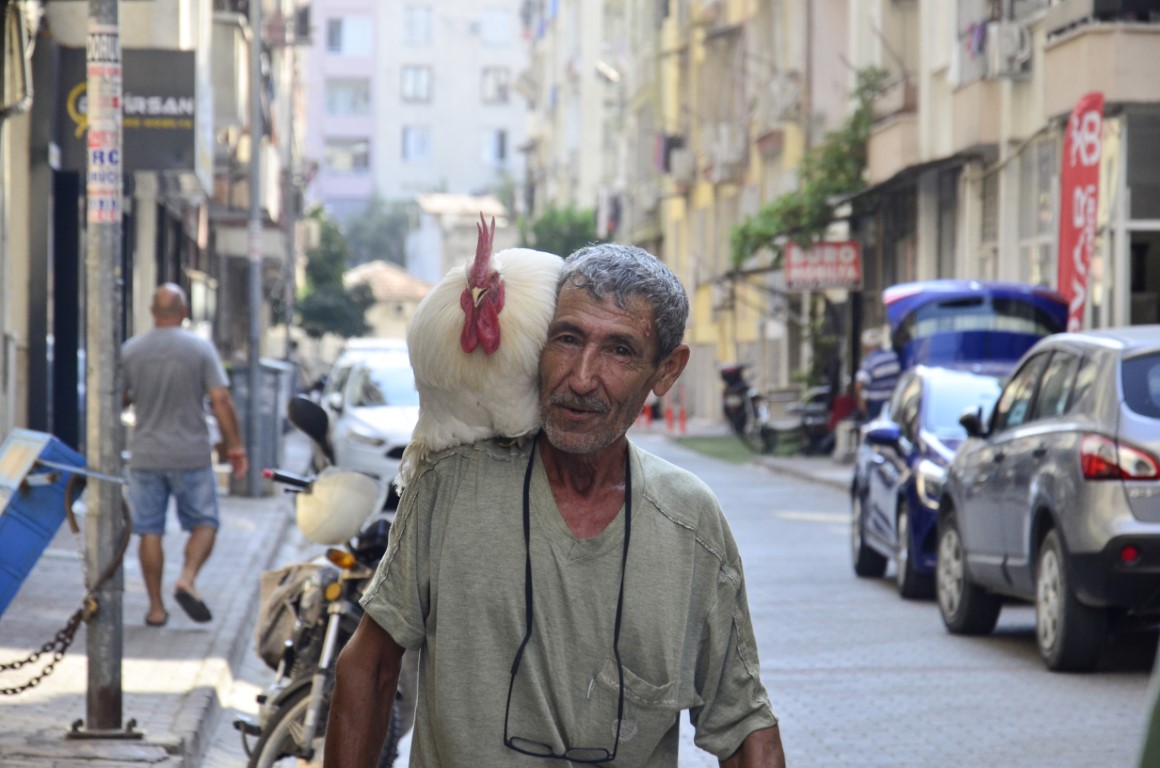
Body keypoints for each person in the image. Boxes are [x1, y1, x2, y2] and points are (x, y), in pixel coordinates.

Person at [325, 244, 785, 767]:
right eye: (566, 339)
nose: (582, 377)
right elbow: (368, 668)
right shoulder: (449, 486)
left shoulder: (690, 523)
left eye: (620, 351)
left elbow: (745, 726)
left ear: (666, 371)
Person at [122, 283, 247, 627]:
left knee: (150, 531)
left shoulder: (131, 351)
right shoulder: (199, 349)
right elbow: (221, 400)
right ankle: (187, 577)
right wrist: (235, 446)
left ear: (151, 312)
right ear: (184, 310)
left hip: (146, 454)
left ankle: (156, 608)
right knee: (206, 522)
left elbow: (118, 398)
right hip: (191, 454)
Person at [854, 326, 901, 420]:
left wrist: (861, 403)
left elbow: (859, 384)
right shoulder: (893, 357)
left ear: (866, 346)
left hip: (875, 405)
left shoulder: (870, 361)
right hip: (893, 403)